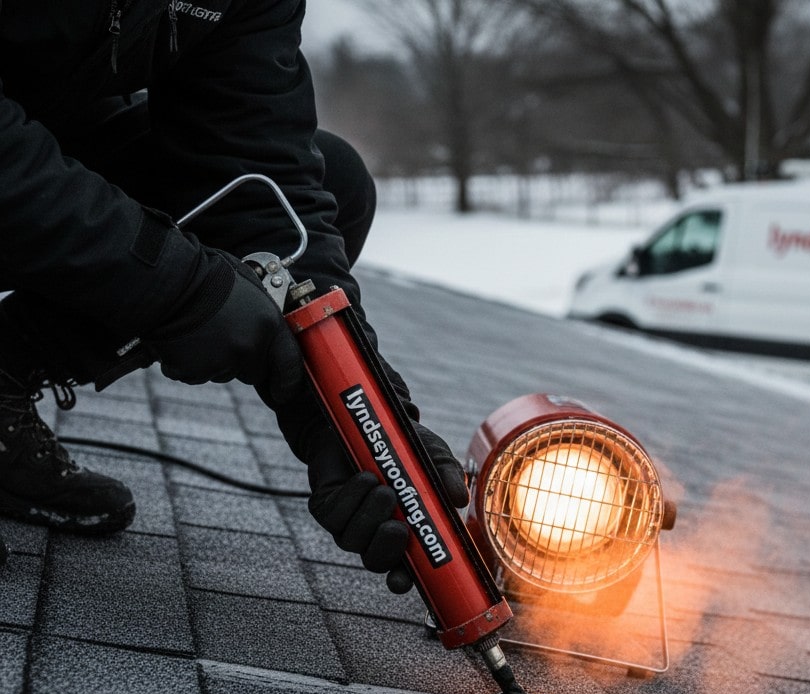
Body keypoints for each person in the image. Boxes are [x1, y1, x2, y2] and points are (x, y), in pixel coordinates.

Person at [0, 1, 467, 593]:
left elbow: (258, 170)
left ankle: (5, 376)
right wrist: (178, 287)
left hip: (42, 136)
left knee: (329, 185)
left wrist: (353, 408)